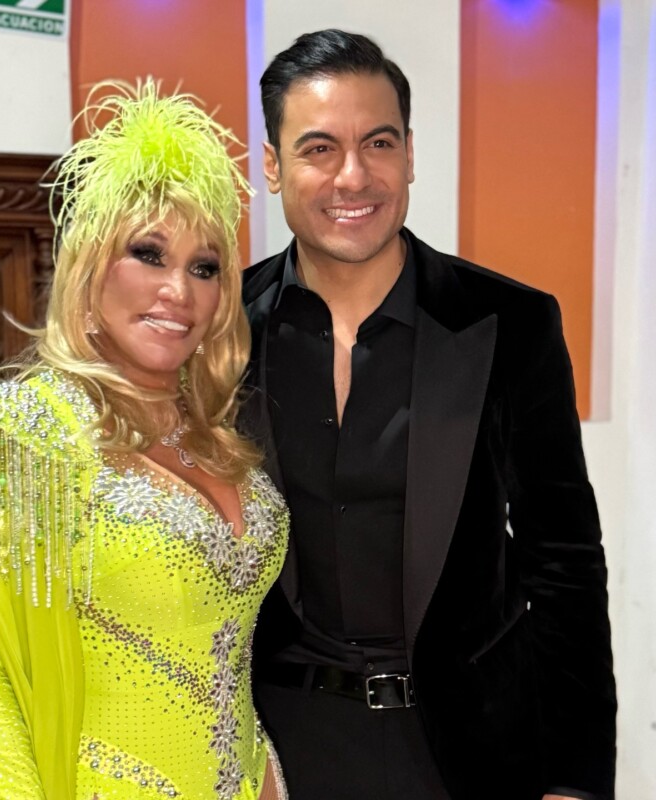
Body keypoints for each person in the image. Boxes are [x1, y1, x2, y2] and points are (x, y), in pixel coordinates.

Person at [241, 29, 616, 800]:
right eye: (319, 149)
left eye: (378, 142)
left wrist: (574, 779)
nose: (354, 175)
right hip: (274, 753)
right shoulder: (223, 330)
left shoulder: (509, 322)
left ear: (410, 154)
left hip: (469, 750)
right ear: (272, 166)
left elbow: (564, 560)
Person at [0, 79, 289, 800]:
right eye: (149, 254)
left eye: (204, 267)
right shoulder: (23, 428)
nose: (179, 292)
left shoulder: (219, 434)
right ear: (91, 267)